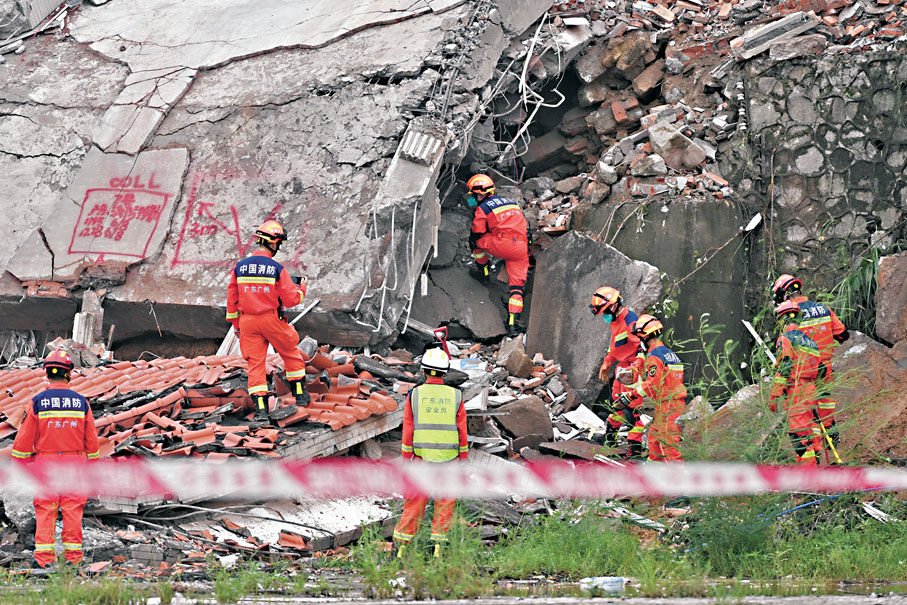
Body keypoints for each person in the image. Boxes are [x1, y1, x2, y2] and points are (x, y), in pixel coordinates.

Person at [11, 349, 100, 569]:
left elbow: (23, 442)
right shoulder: (81, 403)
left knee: (46, 509)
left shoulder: (38, 402)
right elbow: (92, 443)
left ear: (47, 374)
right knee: (72, 510)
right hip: (75, 465)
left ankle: (44, 561)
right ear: (69, 373)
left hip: (46, 465)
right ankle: (73, 560)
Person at [226, 220, 310, 420]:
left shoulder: (239, 268)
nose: (278, 247)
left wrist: (237, 326)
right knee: (290, 352)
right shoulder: (276, 269)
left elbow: (231, 302)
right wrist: (303, 288)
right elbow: (291, 300)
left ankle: (262, 410)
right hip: (271, 319)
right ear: (273, 243)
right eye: (278, 243)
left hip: (247, 322)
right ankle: (300, 395)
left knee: (255, 365)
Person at [392, 348, 468, 559]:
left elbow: (408, 430)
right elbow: (462, 430)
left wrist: (407, 460)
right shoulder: (456, 395)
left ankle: (400, 552)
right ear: (445, 373)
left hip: (420, 459)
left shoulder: (415, 395)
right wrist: (463, 459)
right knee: (444, 504)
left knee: (414, 504)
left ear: (424, 370)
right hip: (449, 460)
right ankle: (438, 553)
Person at [771, 274, 848, 451]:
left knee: (804, 417)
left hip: (803, 374)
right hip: (825, 370)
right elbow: (843, 335)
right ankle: (832, 442)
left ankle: (812, 455)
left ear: (784, 295)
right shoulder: (823, 309)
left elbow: (788, 352)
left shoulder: (791, 315)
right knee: (824, 405)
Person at [466, 174, 532, 336]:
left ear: (479, 194)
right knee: (517, 287)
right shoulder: (512, 203)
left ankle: (484, 273)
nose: (473, 199)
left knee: (475, 241)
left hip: (502, 244)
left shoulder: (484, 208)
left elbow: (478, 231)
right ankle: (513, 325)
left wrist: (476, 238)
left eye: (473, 195)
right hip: (522, 247)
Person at [589, 286, 645, 459]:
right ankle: (610, 440)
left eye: (605, 311)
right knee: (616, 404)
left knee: (634, 411)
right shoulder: (616, 321)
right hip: (623, 367)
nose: (604, 316)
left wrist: (634, 371)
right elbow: (615, 346)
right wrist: (607, 362)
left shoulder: (631, 322)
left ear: (613, 306)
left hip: (633, 370)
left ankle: (635, 451)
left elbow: (642, 349)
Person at [769, 300, 824, 465]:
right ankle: (817, 469)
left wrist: (775, 394)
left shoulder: (785, 339)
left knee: (800, 437)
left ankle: (809, 481)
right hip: (811, 389)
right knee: (812, 431)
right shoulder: (810, 341)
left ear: (781, 320)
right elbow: (821, 369)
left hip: (797, 391)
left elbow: (785, 367)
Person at [627, 314, 687, 462]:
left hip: (669, 406)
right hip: (669, 404)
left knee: (669, 448)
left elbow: (652, 384)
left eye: (640, 338)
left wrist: (631, 395)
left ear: (645, 337)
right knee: (654, 439)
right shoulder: (668, 353)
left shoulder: (654, 356)